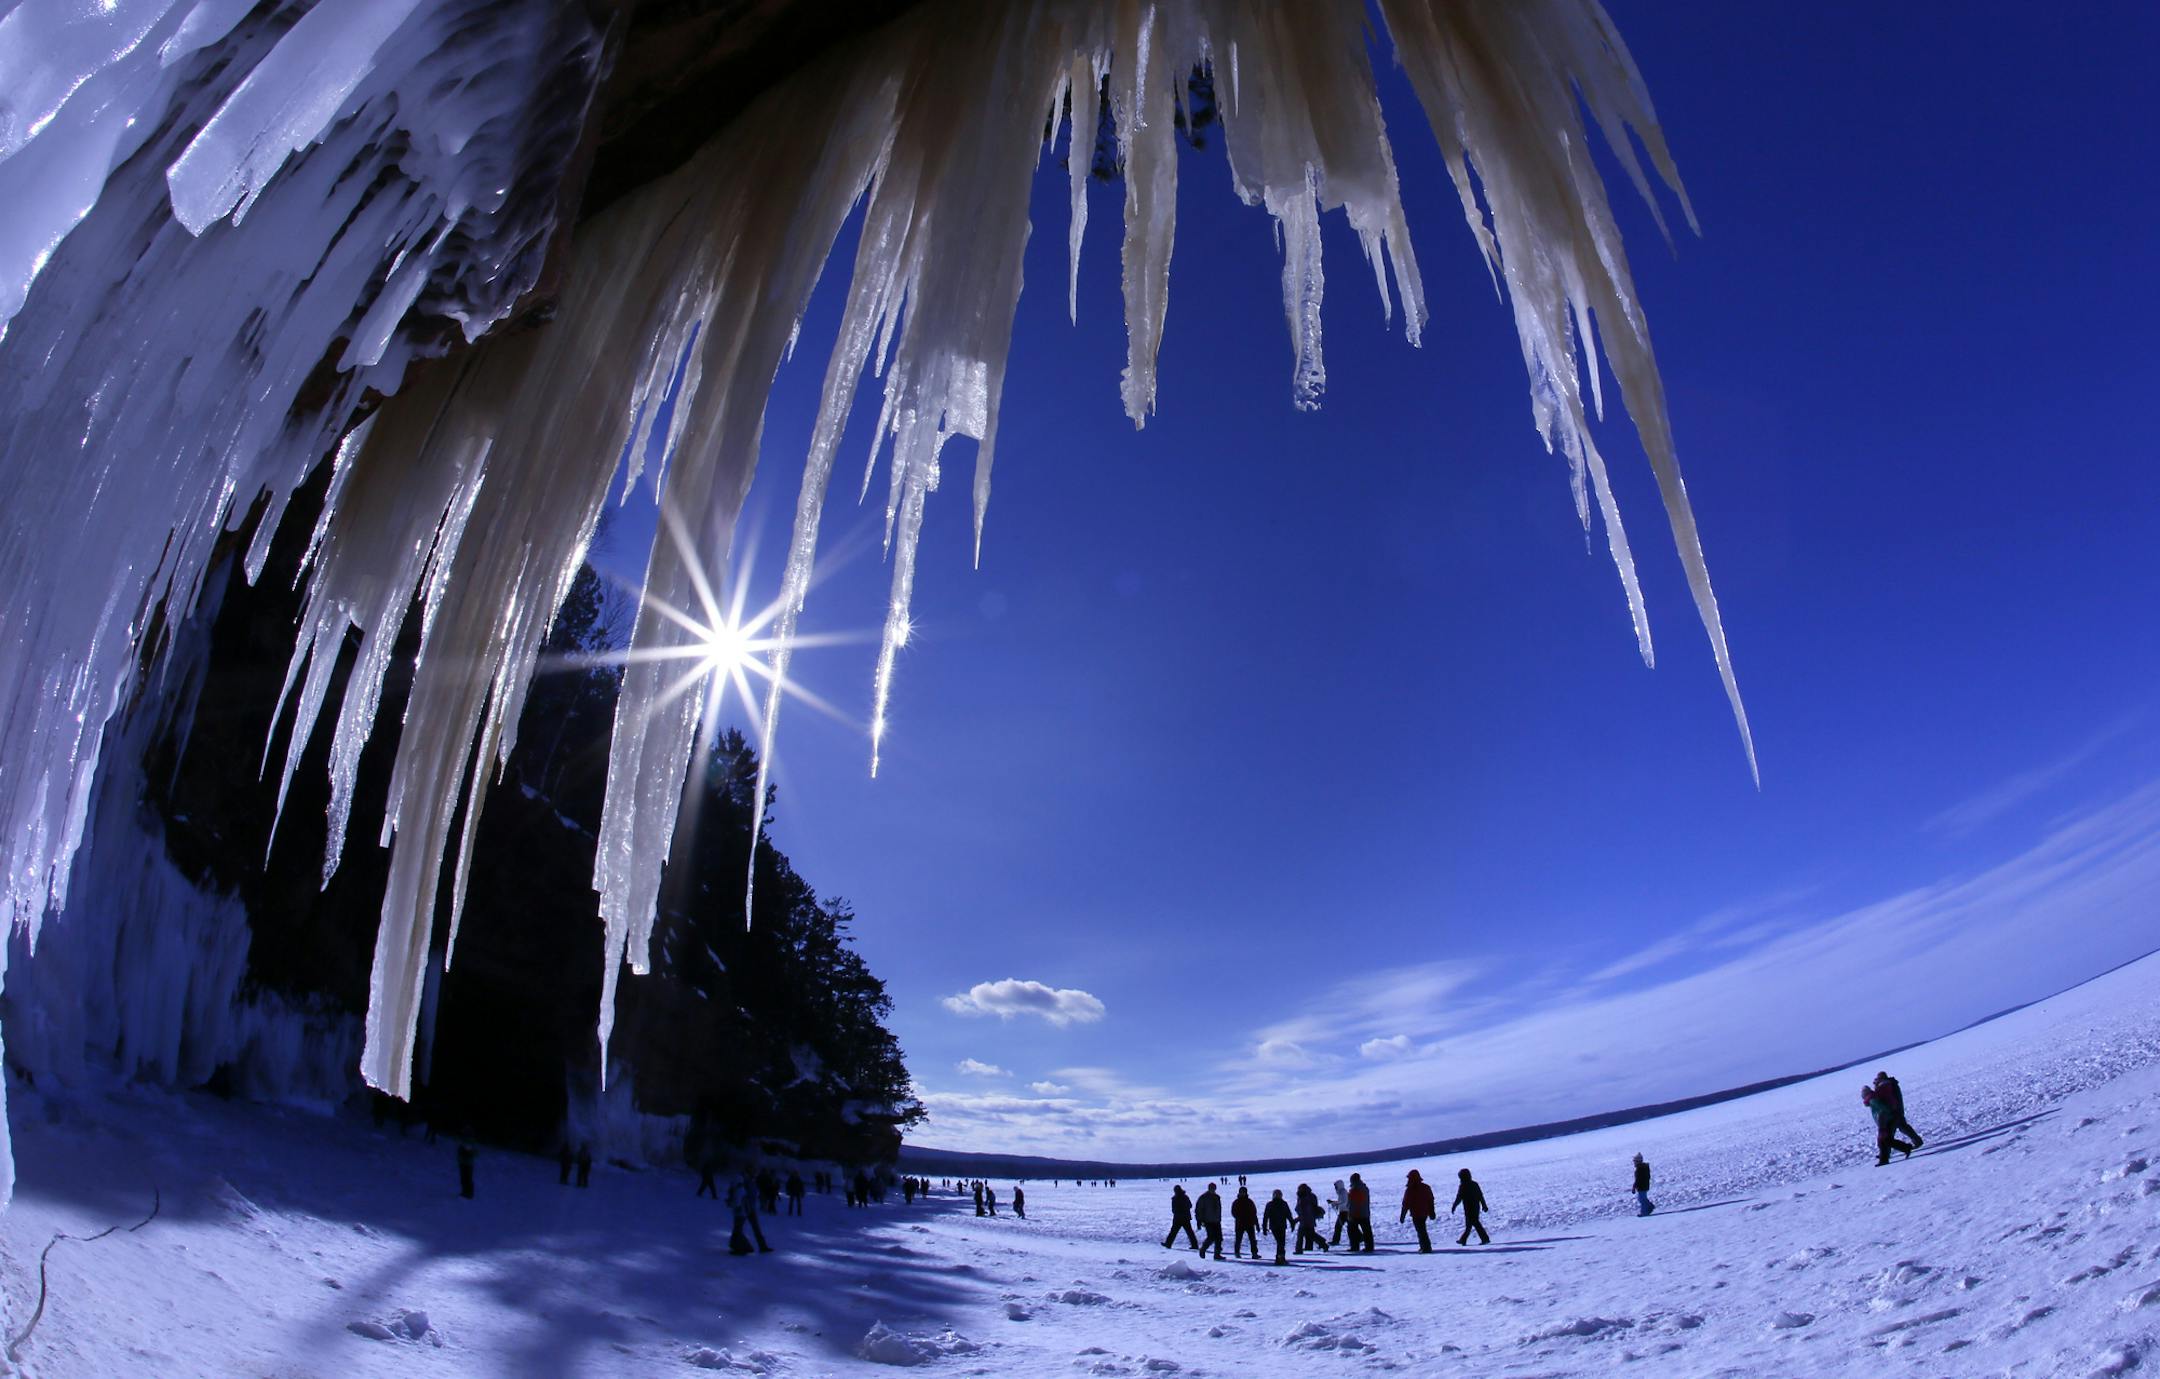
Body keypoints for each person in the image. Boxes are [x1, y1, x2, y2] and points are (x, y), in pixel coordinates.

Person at [1864, 1085, 1914, 1165]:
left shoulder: (1872, 1100)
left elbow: (1883, 1109)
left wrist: (1882, 1120)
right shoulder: (1872, 1098)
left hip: (1885, 1122)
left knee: (1884, 1140)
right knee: (1885, 1140)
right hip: (1886, 1121)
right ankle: (1904, 1149)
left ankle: (1886, 1159)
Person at [1875, 1071, 1924, 1151]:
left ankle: (1885, 1152)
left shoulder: (1886, 1085)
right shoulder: (1891, 1084)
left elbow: (1888, 1098)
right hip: (1896, 1110)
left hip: (1893, 1111)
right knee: (1902, 1127)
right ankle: (1917, 1141)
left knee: (1891, 1132)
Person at [734, 1168, 773, 1252]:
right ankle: (737, 1246)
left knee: (756, 1228)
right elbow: (741, 1193)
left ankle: (763, 1246)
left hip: (751, 1208)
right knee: (739, 1228)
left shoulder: (753, 1181)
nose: (755, 1173)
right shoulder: (745, 1181)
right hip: (745, 1208)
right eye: (753, 1171)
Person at [1399, 1169, 1436, 1252]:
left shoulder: (1410, 1190)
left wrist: (1402, 1216)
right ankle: (1424, 1246)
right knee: (1422, 1230)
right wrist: (1432, 1212)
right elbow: (1430, 1200)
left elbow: (1405, 1204)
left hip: (1416, 1214)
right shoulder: (1426, 1187)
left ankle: (1426, 1247)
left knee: (1421, 1230)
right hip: (1424, 1212)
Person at [1451, 1168, 1489, 1245]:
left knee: (1474, 1223)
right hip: (1475, 1206)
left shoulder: (1463, 1186)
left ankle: (1485, 1238)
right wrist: (1484, 1205)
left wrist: (1454, 1206)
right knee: (1470, 1224)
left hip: (1469, 1208)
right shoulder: (1474, 1184)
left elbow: (1459, 1197)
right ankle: (1463, 1239)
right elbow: (1480, 1195)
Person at [1293, 1183, 1328, 1254]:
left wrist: (1298, 1219)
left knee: (1302, 1234)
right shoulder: (1310, 1196)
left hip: (1305, 1219)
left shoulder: (1304, 1197)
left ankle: (1299, 1250)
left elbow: (1302, 1209)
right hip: (1310, 1218)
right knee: (1311, 1234)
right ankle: (1321, 1244)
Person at [1262, 1189, 1293, 1265]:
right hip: (1274, 1226)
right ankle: (1280, 1258)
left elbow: (1288, 1214)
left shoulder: (1283, 1204)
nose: (1278, 1196)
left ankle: (1280, 1258)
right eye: (1276, 1194)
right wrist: (1264, 1228)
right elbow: (1266, 1217)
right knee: (1280, 1242)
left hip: (1282, 1226)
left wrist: (1292, 1223)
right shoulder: (1270, 1204)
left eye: (1279, 1194)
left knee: (1281, 1242)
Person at [1163, 1184, 1198, 1250]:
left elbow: (1174, 1209)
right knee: (1189, 1232)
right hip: (1185, 1217)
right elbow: (1190, 1205)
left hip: (1178, 1218)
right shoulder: (1185, 1197)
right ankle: (1195, 1245)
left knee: (1173, 1232)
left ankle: (1168, 1243)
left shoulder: (1175, 1198)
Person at [1346, 1173, 1374, 1253]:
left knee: (1352, 1230)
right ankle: (1369, 1247)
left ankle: (1355, 1246)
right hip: (1365, 1212)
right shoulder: (1364, 1188)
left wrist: (1350, 1214)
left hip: (1356, 1213)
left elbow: (1353, 1203)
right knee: (1367, 1230)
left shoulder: (1355, 1189)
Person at [1231, 1186, 1261, 1259]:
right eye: (1241, 1192)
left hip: (1249, 1223)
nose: (1242, 1193)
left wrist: (1257, 1224)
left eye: (1244, 1192)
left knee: (1252, 1239)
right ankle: (1237, 1252)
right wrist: (1239, 1217)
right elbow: (1233, 1212)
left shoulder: (1250, 1202)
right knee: (1238, 1239)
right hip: (1240, 1223)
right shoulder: (1236, 1202)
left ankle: (1254, 1253)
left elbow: (1254, 1213)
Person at [1194, 1183, 1223, 1259]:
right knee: (1211, 1237)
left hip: (1216, 1220)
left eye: (1214, 1188)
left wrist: (1219, 1218)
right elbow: (1198, 1209)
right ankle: (1203, 1249)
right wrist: (1199, 1220)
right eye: (1211, 1188)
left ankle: (1217, 1254)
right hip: (1208, 1220)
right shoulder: (1203, 1197)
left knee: (1219, 1238)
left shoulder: (1217, 1197)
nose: (1213, 1189)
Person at [1328, 1178, 1352, 1247]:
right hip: (1344, 1211)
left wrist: (1335, 1204)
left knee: (1338, 1226)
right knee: (1349, 1226)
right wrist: (1334, 1203)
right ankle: (1360, 1237)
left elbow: (1344, 1202)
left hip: (1344, 1212)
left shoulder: (1343, 1192)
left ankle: (1335, 1240)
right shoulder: (1342, 1192)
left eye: (1336, 1186)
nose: (1335, 1188)